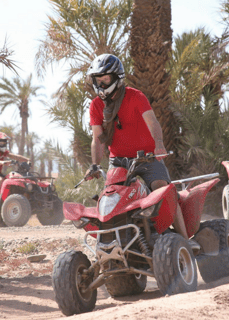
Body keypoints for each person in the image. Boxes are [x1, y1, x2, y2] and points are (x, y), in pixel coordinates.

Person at [84, 53, 199, 250]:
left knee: (163, 189)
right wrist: (94, 165)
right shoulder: (95, 105)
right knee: (110, 198)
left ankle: (185, 241)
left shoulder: (135, 96)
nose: (101, 85)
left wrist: (159, 144)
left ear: (117, 78)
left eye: (105, 80)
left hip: (146, 157)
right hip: (118, 161)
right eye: (98, 80)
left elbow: (153, 122)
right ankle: (111, 247)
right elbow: (97, 139)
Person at [0, 132, 30, 212]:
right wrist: (2, 162)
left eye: (4, 142)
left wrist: (27, 159)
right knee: (0, 180)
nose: (3, 144)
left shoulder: (2, 152)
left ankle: (7, 201)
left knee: (11, 179)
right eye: (1, 142)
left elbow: (14, 156)